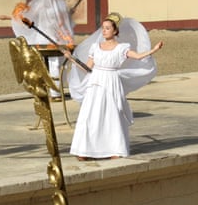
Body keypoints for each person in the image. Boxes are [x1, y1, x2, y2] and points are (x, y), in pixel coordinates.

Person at [65, 12, 163, 160]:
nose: (104, 31)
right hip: (95, 83)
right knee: (91, 115)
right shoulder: (95, 47)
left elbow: (138, 56)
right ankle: (84, 150)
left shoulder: (122, 48)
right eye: (103, 28)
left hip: (111, 82)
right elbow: (87, 68)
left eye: (108, 28)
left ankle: (114, 149)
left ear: (115, 31)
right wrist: (71, 58)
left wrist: (153, 50)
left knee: (112, 115)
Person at [0, 0, 76, 93]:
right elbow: (27, 18)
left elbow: (63, 20)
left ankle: (54, 91)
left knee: (54, 64)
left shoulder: (56, 4)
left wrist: (69, 13)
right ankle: (51, 91)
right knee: (50, 64)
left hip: (54, 38)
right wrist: (8, 17)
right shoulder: (50, 4)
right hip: (47, 38)